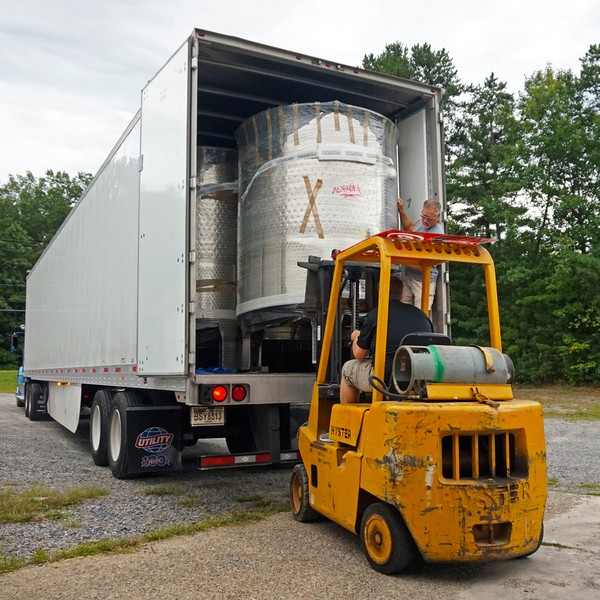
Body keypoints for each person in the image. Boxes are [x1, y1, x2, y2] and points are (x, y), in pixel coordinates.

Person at [340, 278, 433, 404]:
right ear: (401, 294)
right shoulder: (422, 316)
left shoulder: (377, 314)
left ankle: (347, 420)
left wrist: (356, 336)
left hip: (384, 378)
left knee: (348, 369)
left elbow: (359, 355)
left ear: (380, 293)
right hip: (417, 379)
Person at [397, 197, 444, 311]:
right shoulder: (421, 224)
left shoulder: (437, 236)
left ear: (438, 216)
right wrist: (401, 211)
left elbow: (424, 266)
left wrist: (399, 259)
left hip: (423, 281)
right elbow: (409, 227)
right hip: (409, 276)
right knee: (403, 312)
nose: (425, 221)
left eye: (429, 218)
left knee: (421, 315)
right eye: (423, 216)